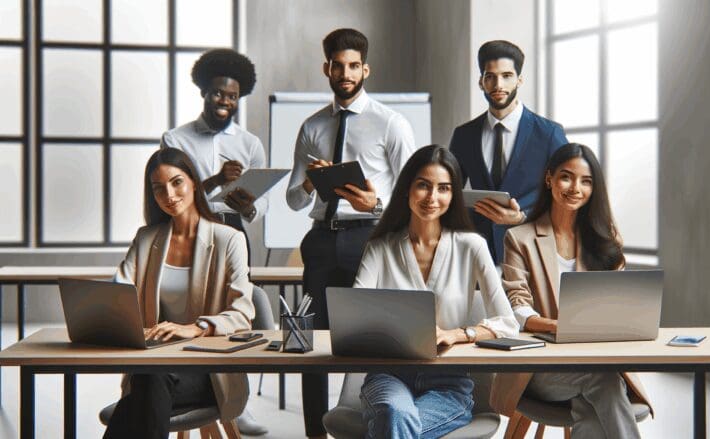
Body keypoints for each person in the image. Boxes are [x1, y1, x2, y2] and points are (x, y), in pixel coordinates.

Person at [285, 28, 416, 438]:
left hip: (370, 237)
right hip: (321, 240)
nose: (345, 73)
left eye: (353, 66)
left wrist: (374, 205)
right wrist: (309, 182)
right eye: (338, 66)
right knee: (310, 339)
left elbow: (414, 193)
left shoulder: (390, 123)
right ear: (326, 68)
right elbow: (292, 200)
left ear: (366, 69)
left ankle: (378, 420)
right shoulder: (311, 127)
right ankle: (313, 432)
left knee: (377, 335)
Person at [354, 145, 518, 438]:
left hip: (449, 381)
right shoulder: (380, 247)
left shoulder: (472, 245)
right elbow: (355, 316)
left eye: (443, 188)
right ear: (406, 190)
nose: (432, 198)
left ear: (453, 195)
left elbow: (507, 322)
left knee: (391, 426)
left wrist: (456, 334)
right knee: (394, 414)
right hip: (388, 375)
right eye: (423, 186)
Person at [491, 143, 653, 439]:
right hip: (538, 369)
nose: (575, 188)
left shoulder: (604, 242)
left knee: (590, 407)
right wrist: (561, 327)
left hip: (594, 360)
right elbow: (518, 306)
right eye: (566, 177)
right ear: (549, 178)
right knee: (603, 382)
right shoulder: (520, 238)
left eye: (586, 181)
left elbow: (617, 306)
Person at [103, 148, 255, 439]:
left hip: (208, 372)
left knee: (143, 392)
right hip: (154, 365)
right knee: (151, 380)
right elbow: (117, 294)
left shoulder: (228, 239)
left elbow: (243, 314)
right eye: (158, 188)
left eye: (176, 182)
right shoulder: (147, 239)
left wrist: (194, 328)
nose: (169, 195)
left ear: (194, 182)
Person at [449, 40, 568, 265]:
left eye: (506, 75)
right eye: (490, 76)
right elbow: (449, 192)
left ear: (519, 79)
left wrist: (523, 217)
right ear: (481, 82)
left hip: (532, 253)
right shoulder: (464, 135)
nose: (498, 84)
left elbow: (568, 198)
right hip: (478, 255)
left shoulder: (549, 134)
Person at [162, 48, 266, 265]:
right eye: (218, 93)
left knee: (237, 297)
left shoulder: (250, 144)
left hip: (234, 230)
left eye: (232, 97)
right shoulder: (175, 139)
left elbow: (263, 200)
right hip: (191, 230)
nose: (225, 102)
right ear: (204, 93)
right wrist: (216, 181)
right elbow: (172, 195)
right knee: (192, 298)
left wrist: (248, 207)